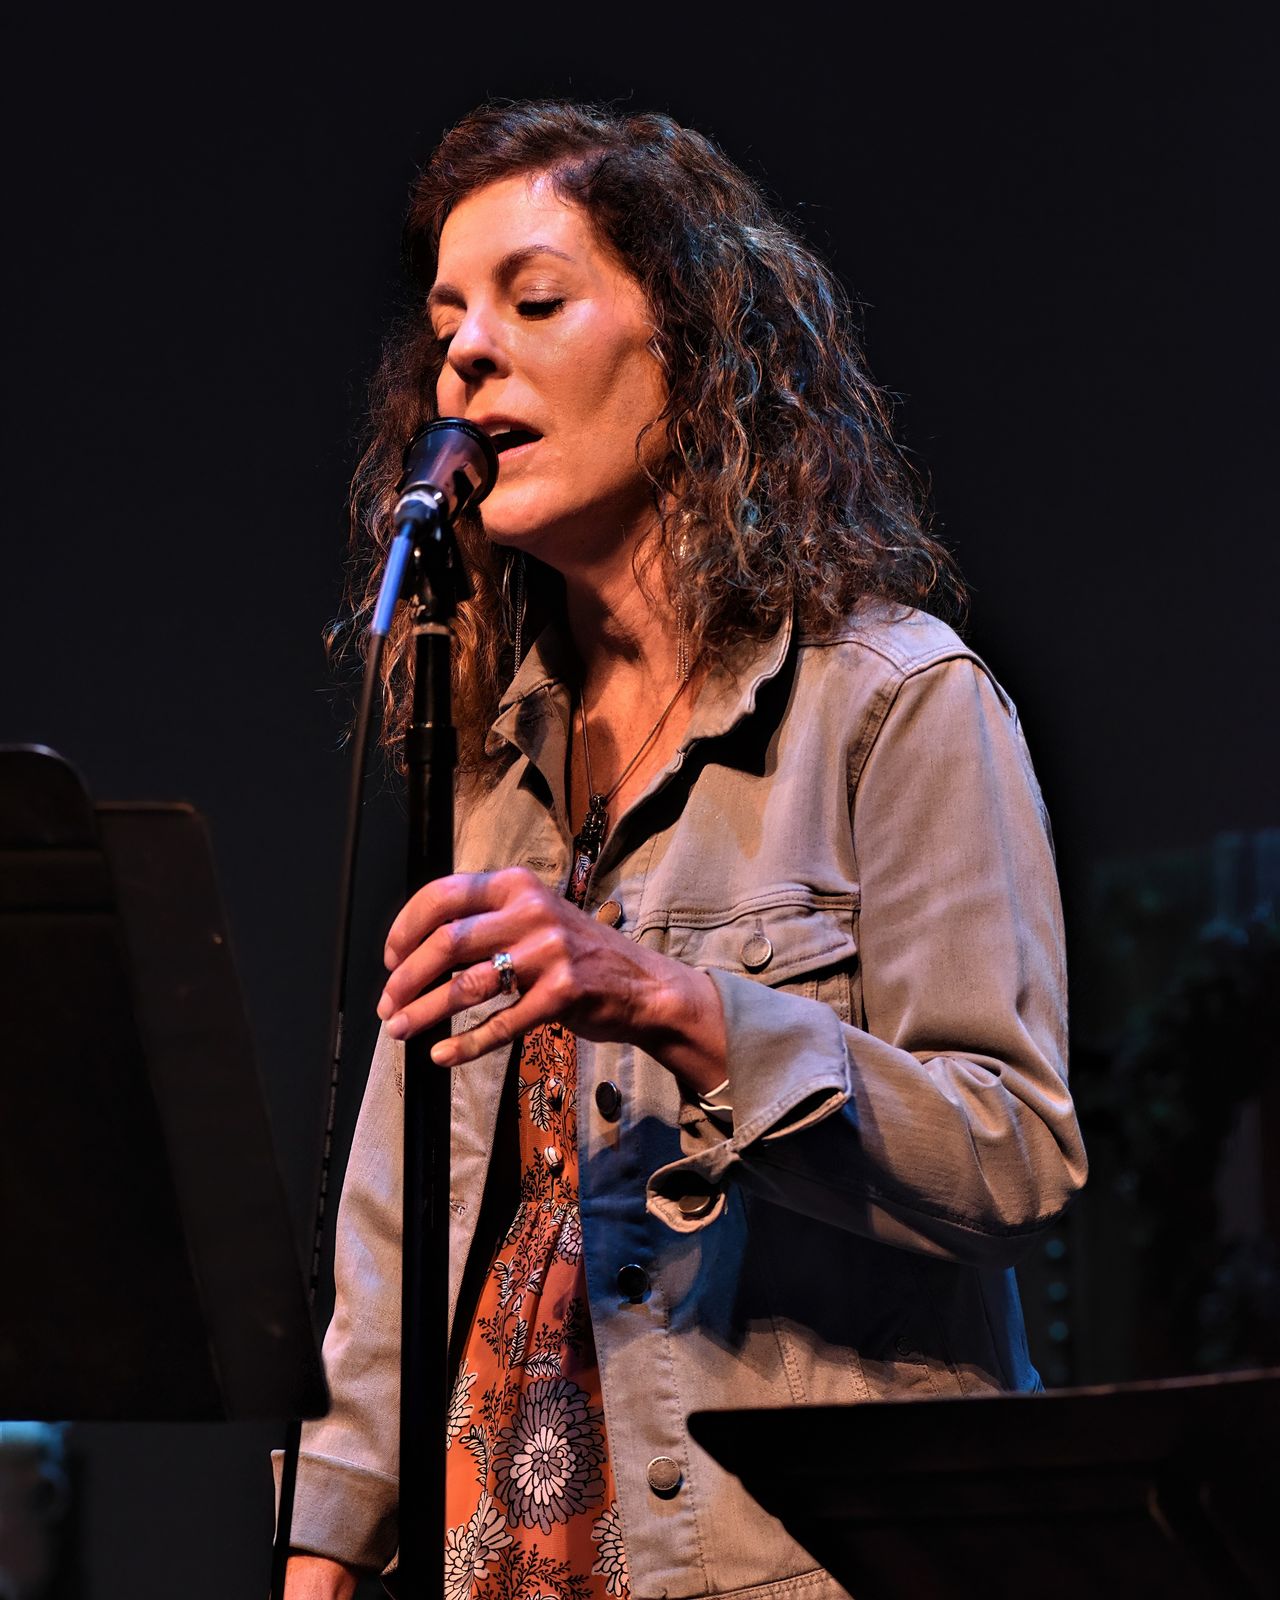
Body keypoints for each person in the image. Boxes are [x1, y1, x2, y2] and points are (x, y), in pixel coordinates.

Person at [281, 100, 1087, 1600]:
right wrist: (319, 1553)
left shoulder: (894, 705)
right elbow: (400, 1225)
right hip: (509, 1552)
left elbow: (1012, 1156)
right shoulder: (488, 774)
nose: (465, 355)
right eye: (447, 322)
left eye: (533, 300)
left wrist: (675, 1002)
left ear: (696, 350)